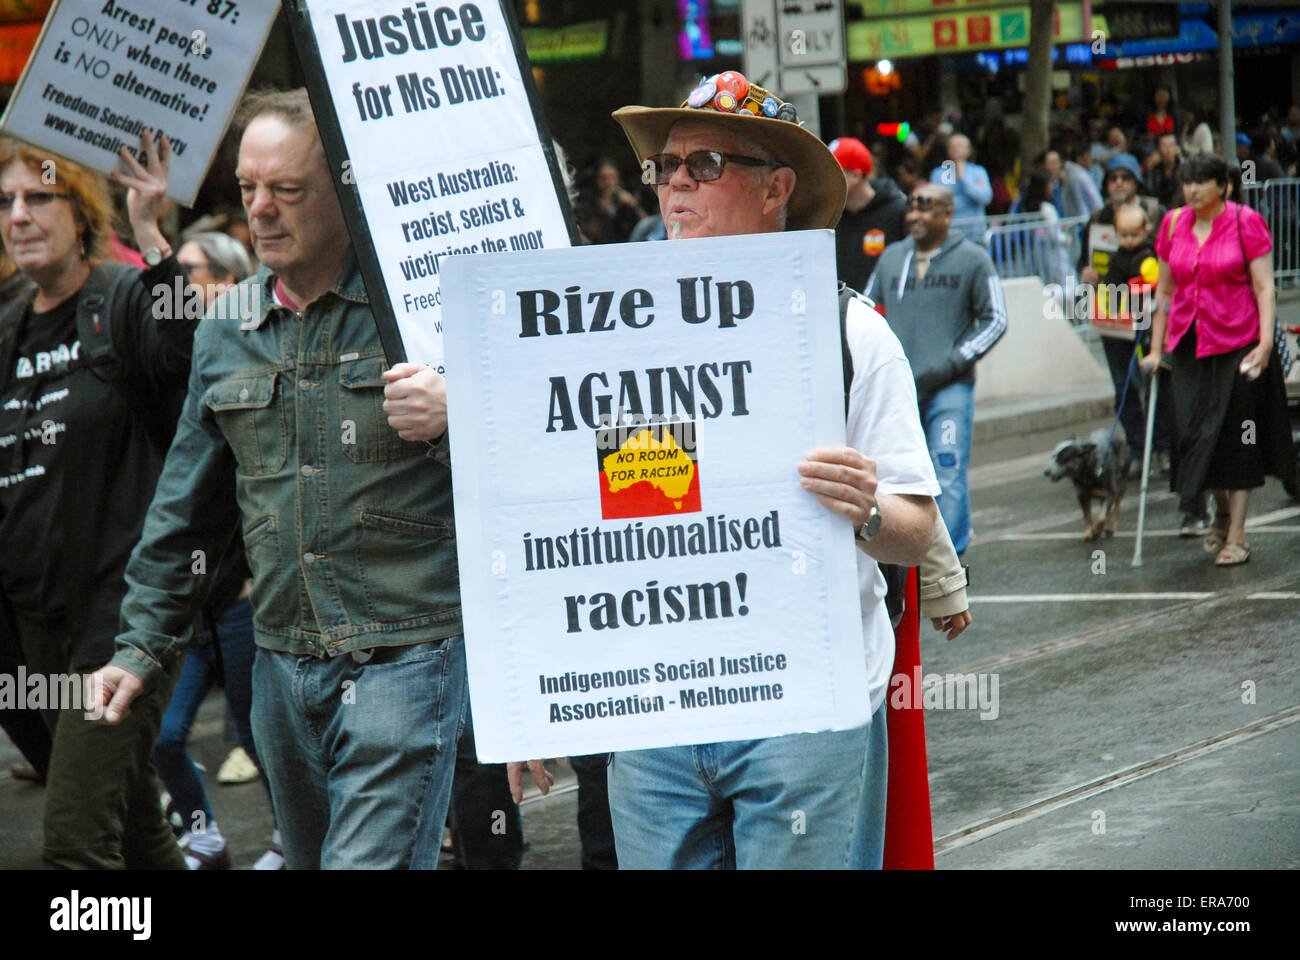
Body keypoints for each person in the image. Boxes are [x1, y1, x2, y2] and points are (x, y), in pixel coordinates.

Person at [88, 88, 549, 868]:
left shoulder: (429, 310)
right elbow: (184, 510)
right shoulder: (227, 328)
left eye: (288, 190)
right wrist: (138, 647)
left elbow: (548, 454)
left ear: (347, 189)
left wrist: (462, 409)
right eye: (248, 190)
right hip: (280, 674)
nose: (261, 210)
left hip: (408, 657)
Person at [509, 78, 941, 869]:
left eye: (704, 163)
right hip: (657, 719)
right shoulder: (609, 337)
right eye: (664, 167)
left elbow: (916, 534)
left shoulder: (851, 334)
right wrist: (538, 698)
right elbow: (574, 532)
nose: (674, 181)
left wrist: (868, 509)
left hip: (807, 714)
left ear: (777, 188)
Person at [0, 131, 196, 868]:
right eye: (5, 201)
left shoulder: (119, 298)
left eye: (39, 196)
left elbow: (190, 360)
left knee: (76, 846)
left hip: (121, 623)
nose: (19, 215)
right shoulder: (8, 325)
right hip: (31, 630)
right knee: (137, 827)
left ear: (81, 211)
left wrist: (152, 237)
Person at [1140, 154, 1296, 559]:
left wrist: (1264, 344)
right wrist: (1156, 351)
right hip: (1189, 345)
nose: (1191, 189)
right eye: (1187, 182)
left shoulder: (1246, 222)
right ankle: (1221, 513)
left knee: (1237, 439)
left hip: (1239, 342)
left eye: (1200, 182)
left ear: (1222, 186)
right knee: (1195, 437)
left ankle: (1238, 535)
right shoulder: (1173, 224)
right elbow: (1164, 294)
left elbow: (1264, 289)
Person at [864, 183, 1006, 558]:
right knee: (899, 477)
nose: (915, 216)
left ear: (947, 214)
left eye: (926, 208)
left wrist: (954, 362)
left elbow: (995, 319)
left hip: (950, 389)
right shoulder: (891, 257)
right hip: (899, 389)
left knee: (948, 466)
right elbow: (867, 311)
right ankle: (912, 561)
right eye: (911, 208)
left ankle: (949, 561)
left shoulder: (974, 259)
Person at [1090, 204, 1171, 475]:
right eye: (1122, 235)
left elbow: (1156, 289)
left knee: (1152, 388)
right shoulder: (1115, 258)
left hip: (1144, 330)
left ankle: (1162, 447)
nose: (1128, 241)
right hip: (1118, 330)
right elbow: (1108, 289)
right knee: (1124, 390)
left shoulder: (1150, 257)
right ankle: (1138, 448)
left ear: (1145, 231)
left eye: (1133, 235)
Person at [830, 136, 907, 292]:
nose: (826, 180)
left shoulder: (897, 210)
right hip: (843, 308)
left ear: (856, 175)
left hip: (882, 308)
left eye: (833, 172)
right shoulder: (830, 214)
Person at [1079, 155, 1164, 286]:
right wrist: (1084, 271)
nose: (1119, 182)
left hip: (1146, 293)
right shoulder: (1097, 219)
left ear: (1135, 181)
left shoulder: (1155, 212)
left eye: (1125, 177)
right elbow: (1083, 259)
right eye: (1113, 178)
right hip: (1107, 296)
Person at [575, 158, 646, 244]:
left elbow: (646, 226)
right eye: (604, 178)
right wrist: (602, 210)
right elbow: (589, 233)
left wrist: (634, 205)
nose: (610, 183)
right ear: (595, 180)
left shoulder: (626, 199)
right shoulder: (587, 201)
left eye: (613, 178)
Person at [930, 134, 992, 229]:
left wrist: (964, 178)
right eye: (952, 146)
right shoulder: (938, 173)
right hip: (948, 230)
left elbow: (985, 198)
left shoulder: (979, 171)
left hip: (975, 230)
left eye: (960, 146)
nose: (956, 149)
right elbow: (936, 202)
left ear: (968, 150)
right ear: (948, 150)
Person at [1145, 133, 1185, 210]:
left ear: (1177, 148)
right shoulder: (1154, 170)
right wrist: (1149, 168)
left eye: (1171, 145)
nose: (1168, 149)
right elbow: (1150, 194)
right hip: (1159, 211)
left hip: (1179, 211)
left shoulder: (1184, 168)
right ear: (1158, 149)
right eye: (1165, 146)